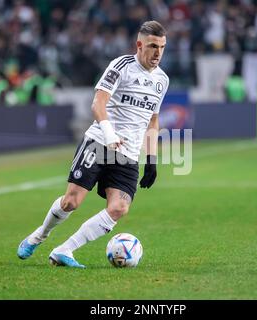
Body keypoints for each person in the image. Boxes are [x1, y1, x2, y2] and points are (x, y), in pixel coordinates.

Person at [17, 20, 169, 268]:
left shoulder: (162, 80)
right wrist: (109, 133)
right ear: (139, 45)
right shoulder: (121, 66)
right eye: (153, 46)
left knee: (119, 208)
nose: (158, 53)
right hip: (99, 142)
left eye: (162, 47)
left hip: (128, 155)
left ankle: (64, 250)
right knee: (71, 202)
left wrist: (151, 159)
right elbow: (98, 104)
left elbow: (153, 120)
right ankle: (39, 236)